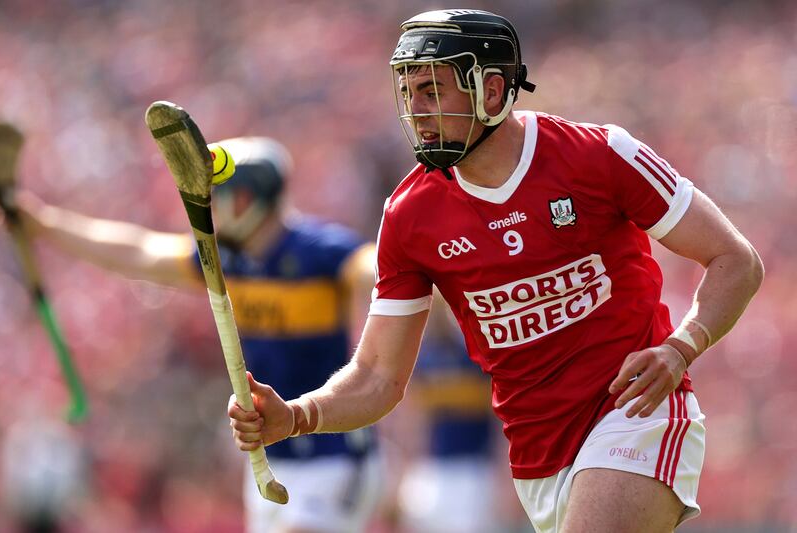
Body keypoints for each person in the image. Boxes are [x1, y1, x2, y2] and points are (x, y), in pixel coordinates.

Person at [228, 9, 764, 533]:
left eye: (433, 91)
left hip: (636, 415)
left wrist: (680, 347)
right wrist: (297, 415)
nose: (416, 110)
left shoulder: (598, 154)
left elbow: (735, 260)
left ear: (490, 90)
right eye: (408, 92)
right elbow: (377, 377)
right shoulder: (409, 215)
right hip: (536, 458)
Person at [5, 137, 383, 533]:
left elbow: (371, 266)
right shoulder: (226, 263)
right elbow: (137, 251)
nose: (213, 206)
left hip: (333, 453)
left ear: (250, 197)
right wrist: (43, 224)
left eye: (222, 195)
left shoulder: (318, 252)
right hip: (271, 459)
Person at [395, 293, 501, 533]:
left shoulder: (475, 355)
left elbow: (499, 420)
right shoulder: (421, 358)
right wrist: (407, 469)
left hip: (476, 468)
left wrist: (503, 472)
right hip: (433, 467)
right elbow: (414, 422)